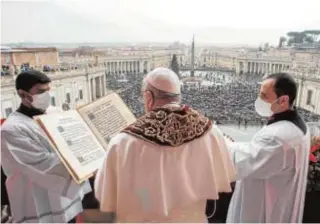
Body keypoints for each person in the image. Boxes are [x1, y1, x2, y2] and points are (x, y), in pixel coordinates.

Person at [94, 67, 236, 222]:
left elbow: (104, 194)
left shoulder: (123, 142)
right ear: (178, 96)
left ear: (148, 97)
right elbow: (223, 180)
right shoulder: (211, 132)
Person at [1, 70, 91, 223]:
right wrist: (86, 161)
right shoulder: (11, 130)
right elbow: (44, 165)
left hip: (66, 197)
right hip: (37, 199)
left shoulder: (54, 113)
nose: (47, 95)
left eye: (48, 90)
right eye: (41, 92)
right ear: (23, 95)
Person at [226, 73, 310, 223]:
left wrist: (222, 142)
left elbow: (243, 163)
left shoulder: (276, 137)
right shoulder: (296, 127)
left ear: (283, 100)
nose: (259, 100)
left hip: (263, 211)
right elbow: (261, 153)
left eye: (264, 96)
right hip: (282, 202)